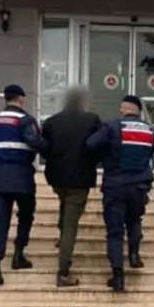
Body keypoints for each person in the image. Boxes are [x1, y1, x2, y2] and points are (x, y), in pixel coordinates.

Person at [86, 94, 154, 292]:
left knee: (115, 233)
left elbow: (91, 144)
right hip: (139, 185)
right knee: (134, 220)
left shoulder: (112, 127)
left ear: (124, 109)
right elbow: (151, 152)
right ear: (138, 111)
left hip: (115, 186)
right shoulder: (149, 130)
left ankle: (118, 276)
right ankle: (134, 254)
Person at [0, 83, 48, 287]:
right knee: (25, 215)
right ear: (21, 98)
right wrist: (52, 150)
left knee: (0, 223)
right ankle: (18, 254)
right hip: (21, 177)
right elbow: (35, 141)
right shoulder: (25, 120)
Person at [41, 86, 102, 287]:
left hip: (56, 176)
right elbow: (97, 146)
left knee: (64, 201)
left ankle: (61, 234)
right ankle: (63, 272)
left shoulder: (52, 121)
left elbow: (45, 148)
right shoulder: (92, 120)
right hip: (80, 177)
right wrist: (93, 162)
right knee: (71, 224)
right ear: (82, 101)